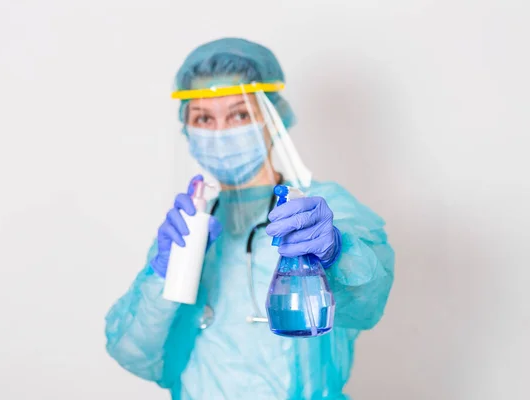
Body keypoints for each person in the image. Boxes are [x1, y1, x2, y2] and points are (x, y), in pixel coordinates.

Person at [105, 37, 394, 400]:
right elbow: (135, 354)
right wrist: (161, 276)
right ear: (186, 129)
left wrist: (338, 251)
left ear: (273, 119)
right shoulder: (192, 225)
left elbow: (368, 305)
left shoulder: (317, 210)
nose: (221, 132)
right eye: (203, 118)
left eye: (240, 114)